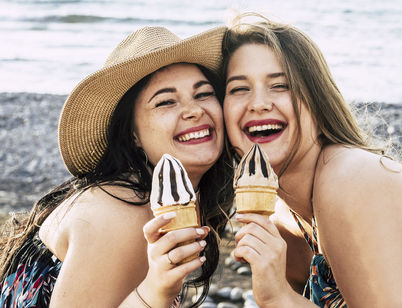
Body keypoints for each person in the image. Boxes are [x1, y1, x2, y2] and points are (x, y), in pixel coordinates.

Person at [221, 14, 402, 307]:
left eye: (280, 85)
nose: (259, 103)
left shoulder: (351, 178)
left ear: (316, 99)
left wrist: (278, 297)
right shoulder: (284, 223)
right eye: (239, 89)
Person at [0, 25, 234, 307]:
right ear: (133, 134)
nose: (194, 110)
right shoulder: (119, 214)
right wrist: (155, 293)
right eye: (166, 102)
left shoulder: (145, 195)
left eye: (203, 94)